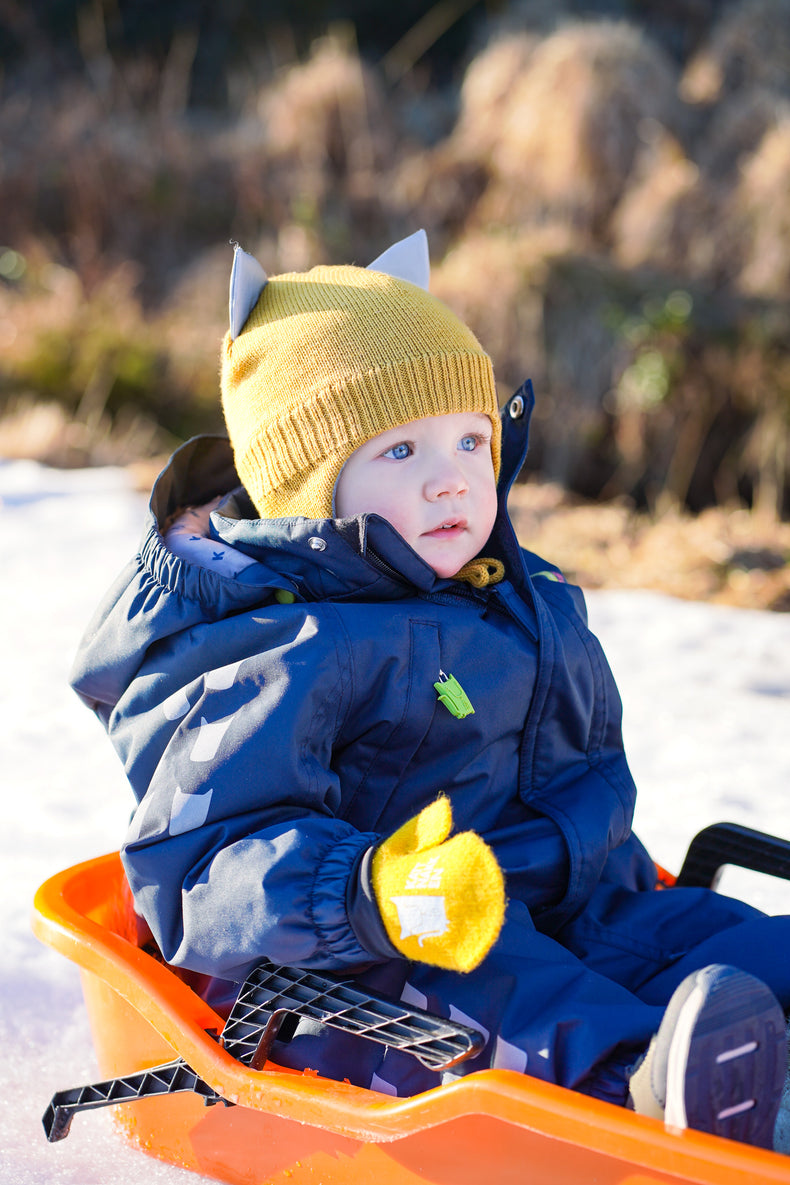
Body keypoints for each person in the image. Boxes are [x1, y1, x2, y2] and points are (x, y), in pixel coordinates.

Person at [70, 231, 790, 1151]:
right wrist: (372, 889)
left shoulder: (504, 593)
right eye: (401, 450)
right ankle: (659, 1093)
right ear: (307, 489)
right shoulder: (271, 649)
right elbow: (204, 869)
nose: (454, 475)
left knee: (728, 944)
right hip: (369, 965)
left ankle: (743, 1050)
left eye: (471, 439)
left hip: (579, 907)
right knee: (512, 997)